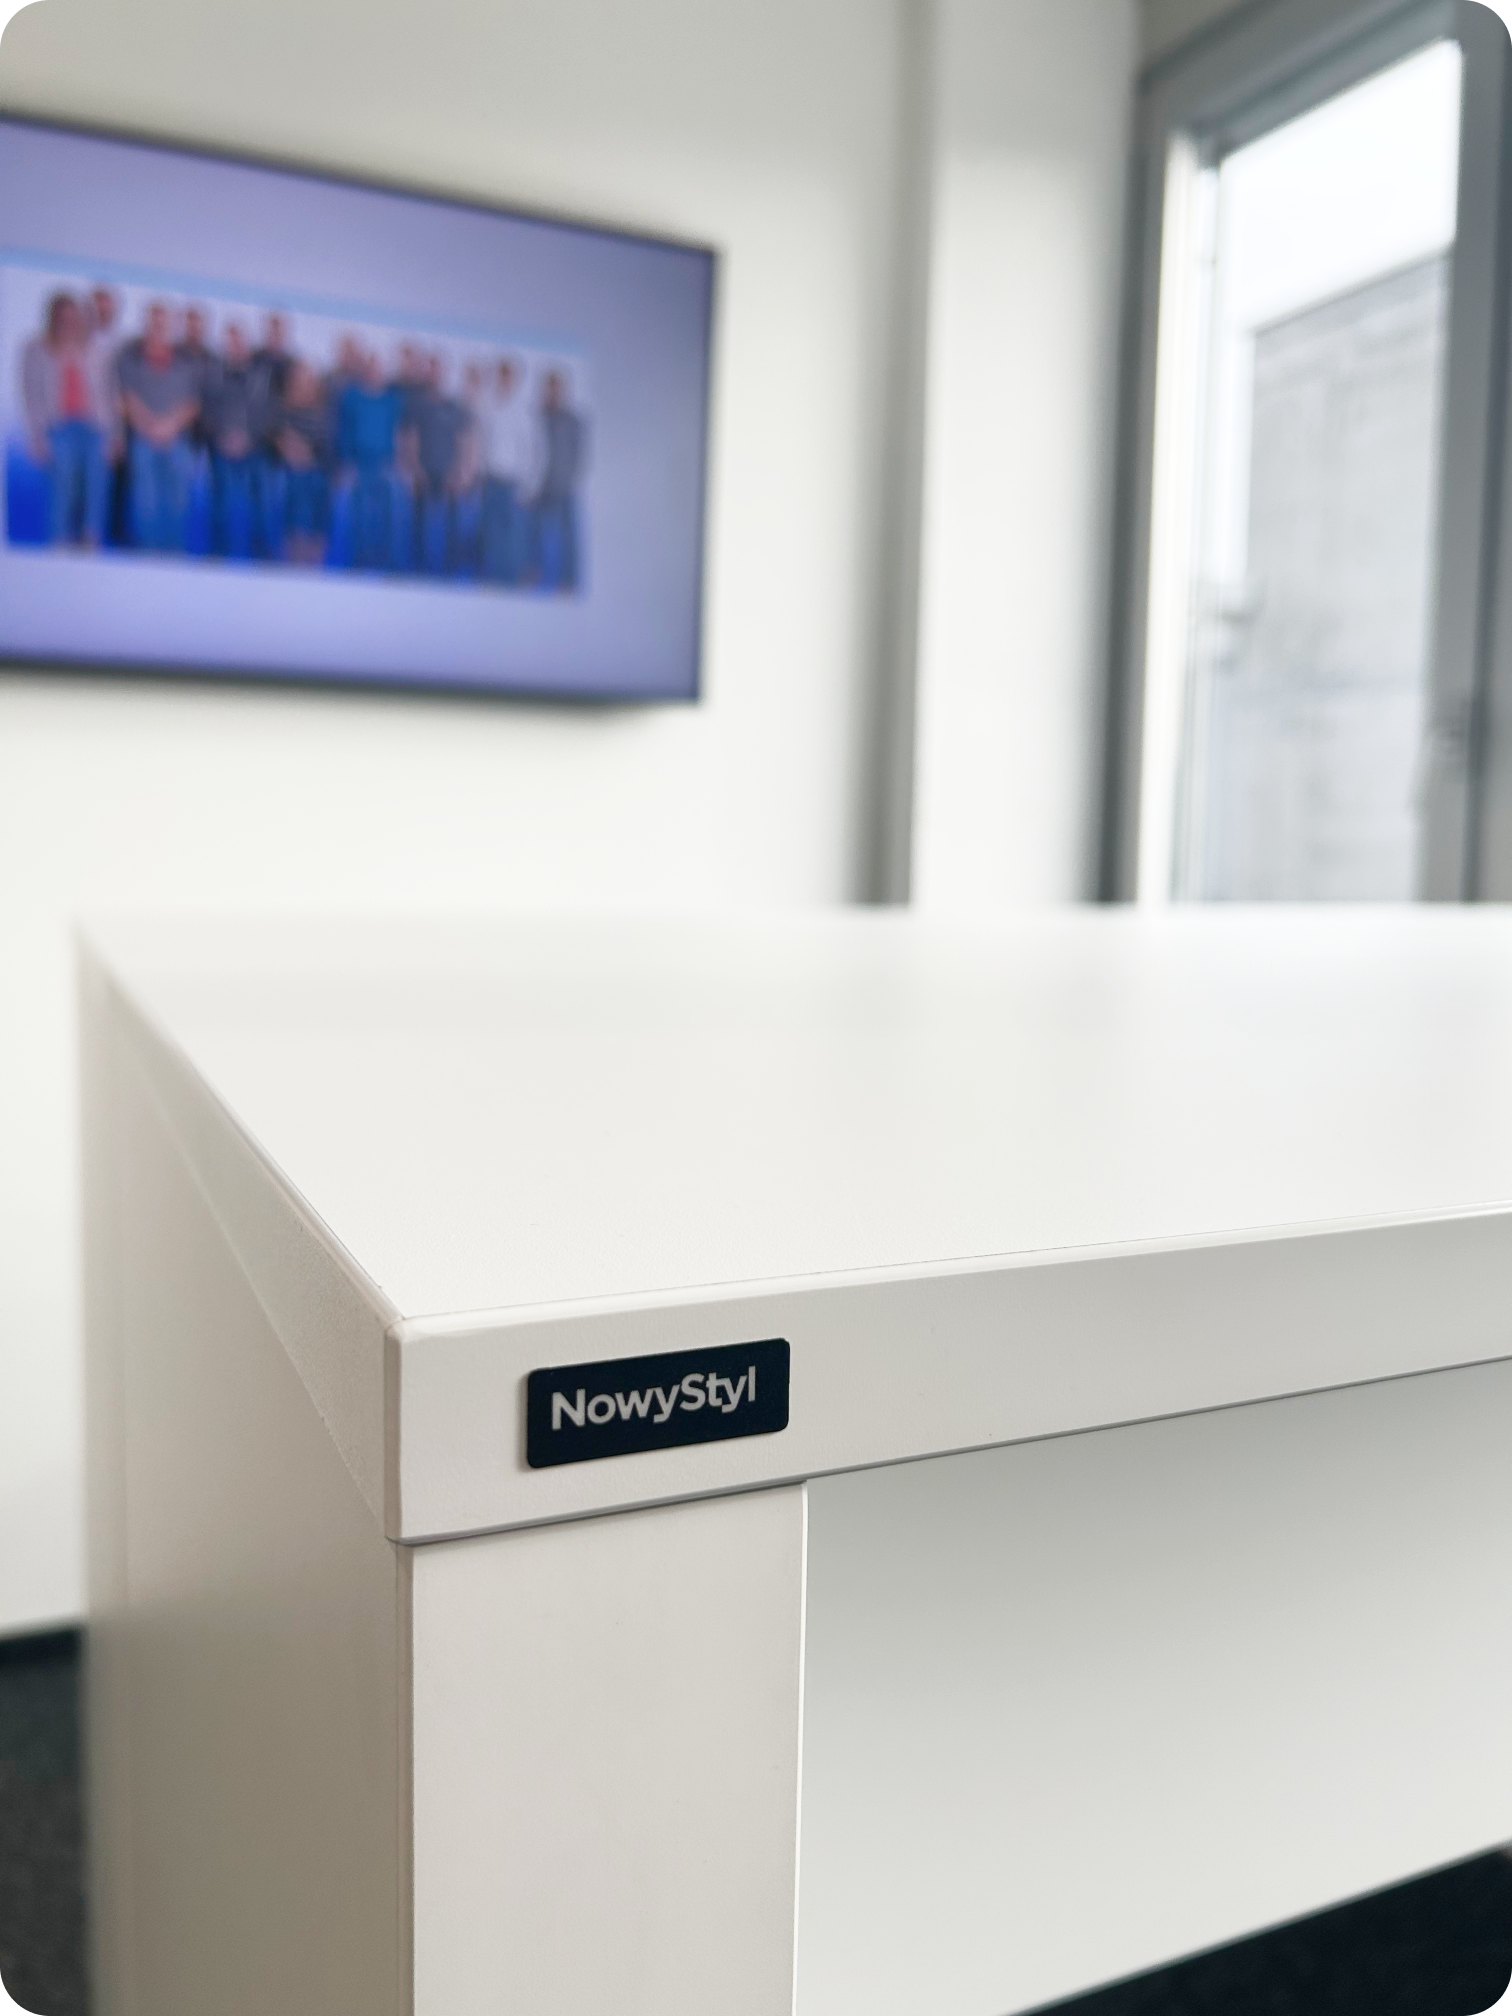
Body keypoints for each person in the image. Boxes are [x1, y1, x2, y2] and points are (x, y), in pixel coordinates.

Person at [19, 291, 111, 547]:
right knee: (62, 484)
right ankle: (58, 541)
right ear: (53, 318)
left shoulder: (94, 351)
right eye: (63, 318)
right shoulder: (36, 349)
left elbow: (108, 393)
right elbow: (31, 394)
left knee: (95, 485)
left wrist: (113, 435)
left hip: (93, 426)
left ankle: (90, 539)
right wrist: (36, 436)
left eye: (74, 317)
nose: (69, 323)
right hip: (58, 427)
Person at [116, 301, 201, 551]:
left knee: (178, 498)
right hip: (143, 439)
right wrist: (149, 425)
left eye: (164, 325)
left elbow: (193, 403)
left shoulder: (187, 361)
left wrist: (170, 425)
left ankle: (174, 556)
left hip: (177, 440)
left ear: (172, 328)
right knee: (146, 499)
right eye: (154, 323)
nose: (159, 329)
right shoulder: (130, 358)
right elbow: (126, 397)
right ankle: (147, 553)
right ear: (146, 324)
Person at [199, 319, 264, 559]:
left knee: (258, 503)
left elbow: (266, 413)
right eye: (230, 342)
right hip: (220, 445)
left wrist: (248, 438)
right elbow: (206, 409)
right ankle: (219, 555)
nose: (235, 346)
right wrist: (222, 436)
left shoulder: (260, 376)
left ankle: (257, 558)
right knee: (221, 502)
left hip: (253, 447)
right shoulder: (212, 374)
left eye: (239, 341)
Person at [336, 348, 405, 569]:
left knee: (386, 518)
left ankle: (383, 565)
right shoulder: (351, 397)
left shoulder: (392, 401)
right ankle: (358, 563)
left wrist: (399, 463)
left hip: (385, 465)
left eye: (378, 369)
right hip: (358, 465)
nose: (374, 373)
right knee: (358, 516)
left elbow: (398, 432)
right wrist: (347, 463)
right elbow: (344, 430)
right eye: (370, 368)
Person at [475, 355, 536, 585]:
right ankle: (492, 581)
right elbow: (482, 443)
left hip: (513, 484)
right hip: (490, 481)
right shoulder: (488, 408)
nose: (504, 381)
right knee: (491, 535)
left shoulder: (524, 412)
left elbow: (532, 451)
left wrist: (529, 486)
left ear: (515, 380)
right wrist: (480, 473)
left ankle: (511, 583)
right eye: (501, 376)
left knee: (513, 538)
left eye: (508, 376)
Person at [412, 351, 470, 574]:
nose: (433, 373)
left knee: (451, 525)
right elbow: (411, 437)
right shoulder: (418, 403)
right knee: (419, 523)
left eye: (437, 369)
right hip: (423, 472)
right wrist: (414, 467)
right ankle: (418, 568)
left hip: (449, 474)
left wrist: (460, 471)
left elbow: (464, 440)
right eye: (430, 369)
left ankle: (450, 569)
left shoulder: (454, 405)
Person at [532, 367, 587, 592]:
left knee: (568, 537)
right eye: (549, 387)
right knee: (534, 533)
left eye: (557, 388)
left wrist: (569, 478)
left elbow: (579, 454)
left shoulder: (573, 420)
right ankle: (534, 574)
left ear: (563, 390)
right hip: (540, 486)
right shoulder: (537, 416)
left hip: (564, 487)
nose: (553, 392)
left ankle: (568, 581)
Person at [274, 360, 333, 565]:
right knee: (297, 486)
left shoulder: (323, 411)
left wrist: (307, 455)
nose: (304, 384)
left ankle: (315, 558)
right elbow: (280, 437)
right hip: (290, 467)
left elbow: (325, 443)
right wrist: (296, 452)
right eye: (300, 380)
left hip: (317, 467)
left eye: (308, 380)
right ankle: (294, 555)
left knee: (319, 485)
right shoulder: (284, 409)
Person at [249, 311, 294, 556]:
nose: (275, 334)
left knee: (273, 503)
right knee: (249, 503)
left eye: (279, 330)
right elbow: (248, 401)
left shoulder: (291, 364)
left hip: (280, 447)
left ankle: (270, 557)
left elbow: (295, 404)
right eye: (271, 329)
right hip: (254, 441)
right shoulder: (254, 360)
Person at [87, 284, 127, 543]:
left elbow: (121, 391)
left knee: (116, 489)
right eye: (97, 308)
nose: (102, 313)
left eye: (107, 308)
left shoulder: (121, 345)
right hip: (83, 426)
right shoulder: (76, 342)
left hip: (113, 424)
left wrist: (118, 433)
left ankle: (113, 539)